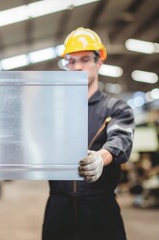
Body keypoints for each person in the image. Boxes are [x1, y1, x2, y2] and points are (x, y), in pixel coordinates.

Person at [42, 27, 135, 240]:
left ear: (99, 61)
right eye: (71, 61)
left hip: (100, 212)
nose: (77, 67)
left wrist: (100, 158)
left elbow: (122, 138)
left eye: (84, 60)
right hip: (58, 211)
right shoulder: (52, 110)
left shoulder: (116, 108)